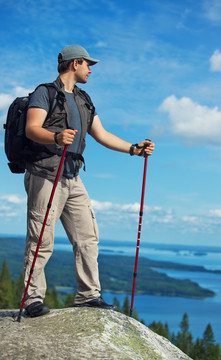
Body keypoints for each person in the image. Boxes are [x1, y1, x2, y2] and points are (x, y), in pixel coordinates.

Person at [23, 44, 155, 317]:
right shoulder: (44, 93)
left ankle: (87, 295)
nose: (91, 70)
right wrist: (56, 137)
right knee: (41, 239)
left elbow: (102, 134)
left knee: (87, 237)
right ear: (75, 63)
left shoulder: (84, 99)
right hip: (46, 174)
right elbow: (32, 129)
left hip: (73, 176)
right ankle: (32, 299)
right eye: (88, 64)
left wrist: (134, 148)